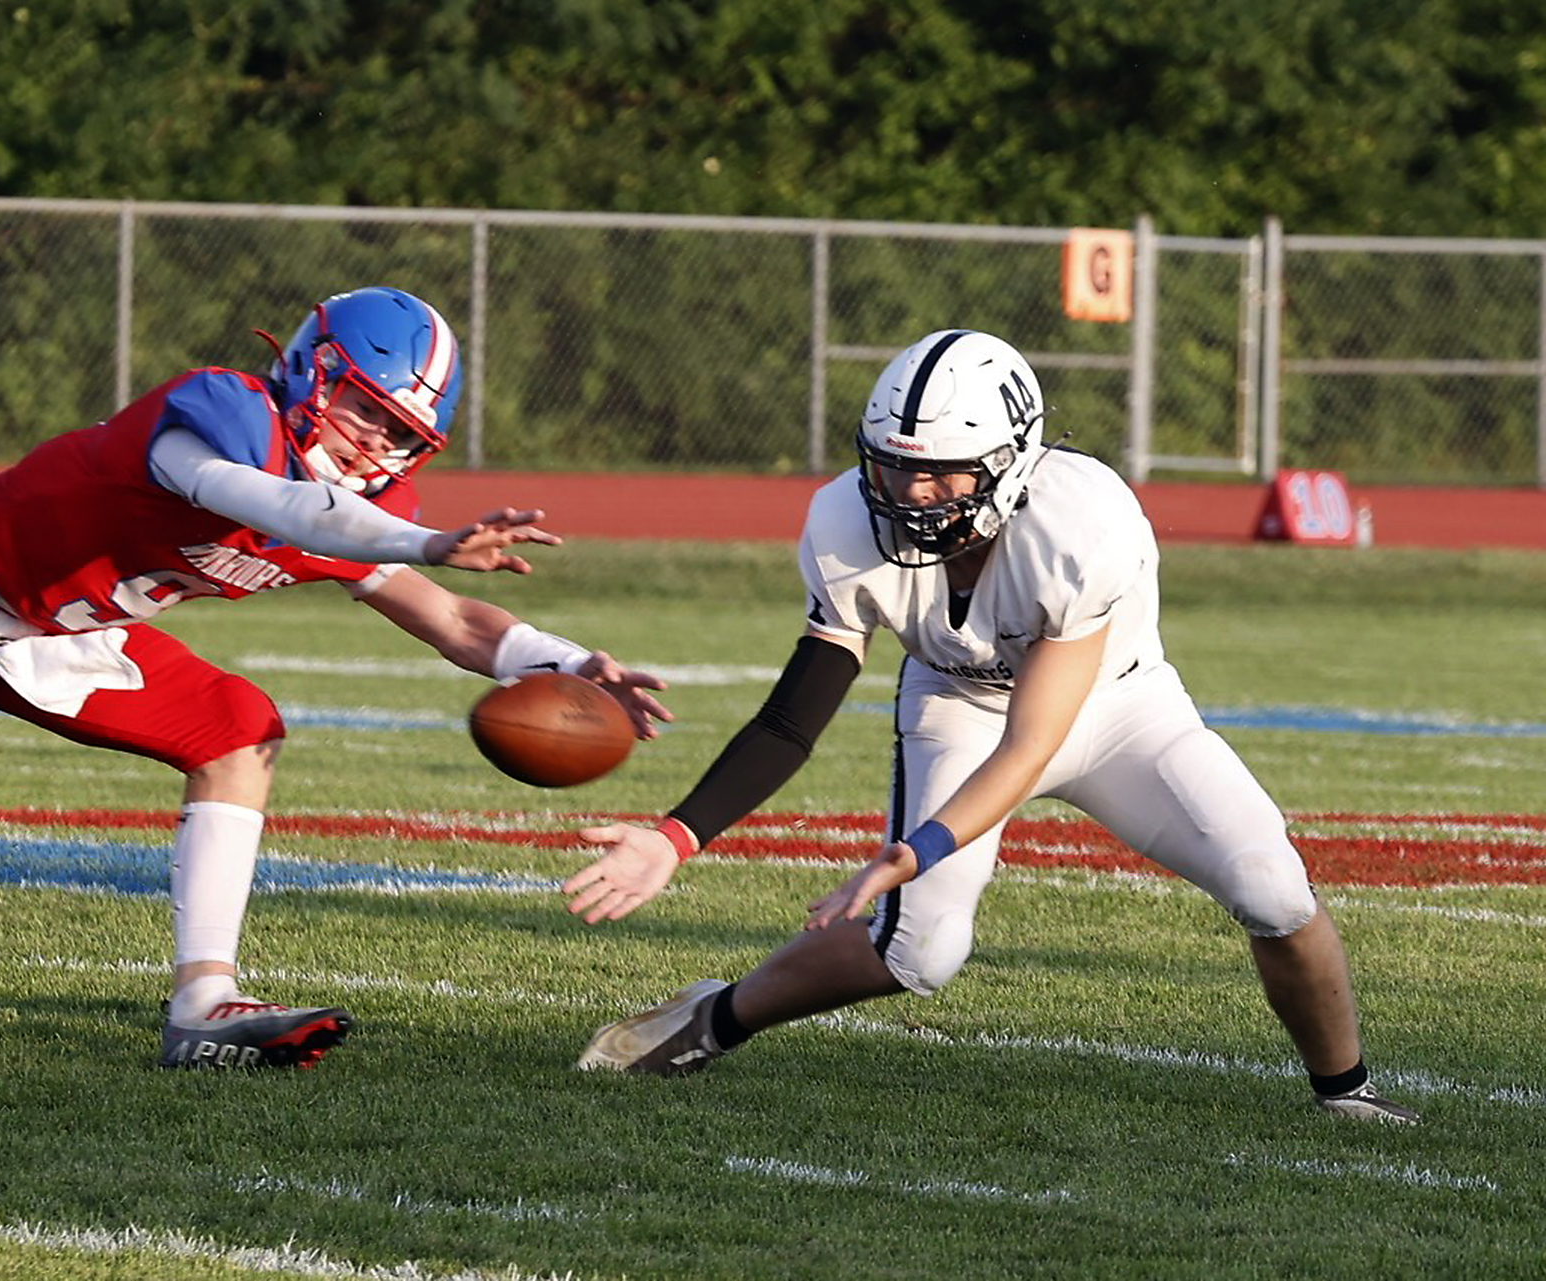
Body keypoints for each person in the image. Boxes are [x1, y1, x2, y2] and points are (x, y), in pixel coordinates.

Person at [0, 285, 671, 1073]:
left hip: (69, 639)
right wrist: (427, 534)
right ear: (315, 369)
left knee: (237, 727)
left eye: (402, 437)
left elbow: (450, 618)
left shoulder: (348, 504)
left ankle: (202, 1003)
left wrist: (570, 661)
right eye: (365, 412)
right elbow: (263, 505)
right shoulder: (220, 410)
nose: (376, 448)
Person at [562, 328, 1418, 1123]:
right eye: (894, 467)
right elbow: (794, 717)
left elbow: (1034, 742)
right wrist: (675, 837)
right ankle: (712, 1017)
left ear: (1009, 464)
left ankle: (1344, 1091)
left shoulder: (1081, 523)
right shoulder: (844, 521)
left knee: (1271, 883)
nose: (910, 492)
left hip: (1119, 709)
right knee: (918, 952)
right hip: (956, 702)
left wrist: (915, 846)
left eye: (940, 472)